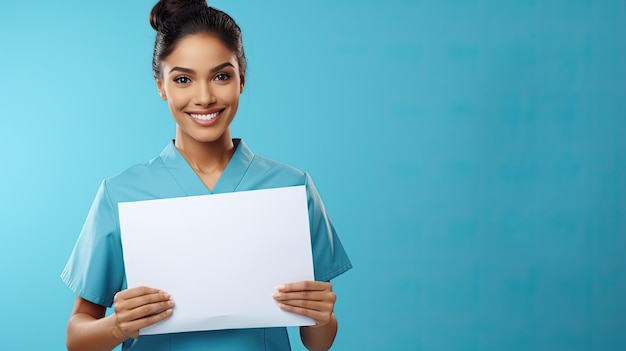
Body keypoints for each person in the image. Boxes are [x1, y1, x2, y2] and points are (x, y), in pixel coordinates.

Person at [60, 1, 352, 350]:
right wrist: (118, 325)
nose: (204, 97)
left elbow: (317, 343)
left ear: (241, 78)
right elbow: (76, 338)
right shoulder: (119, 194)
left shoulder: (292, 188)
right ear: (161, 86)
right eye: (183, 79)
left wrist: (321, 317)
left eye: (221, 76)